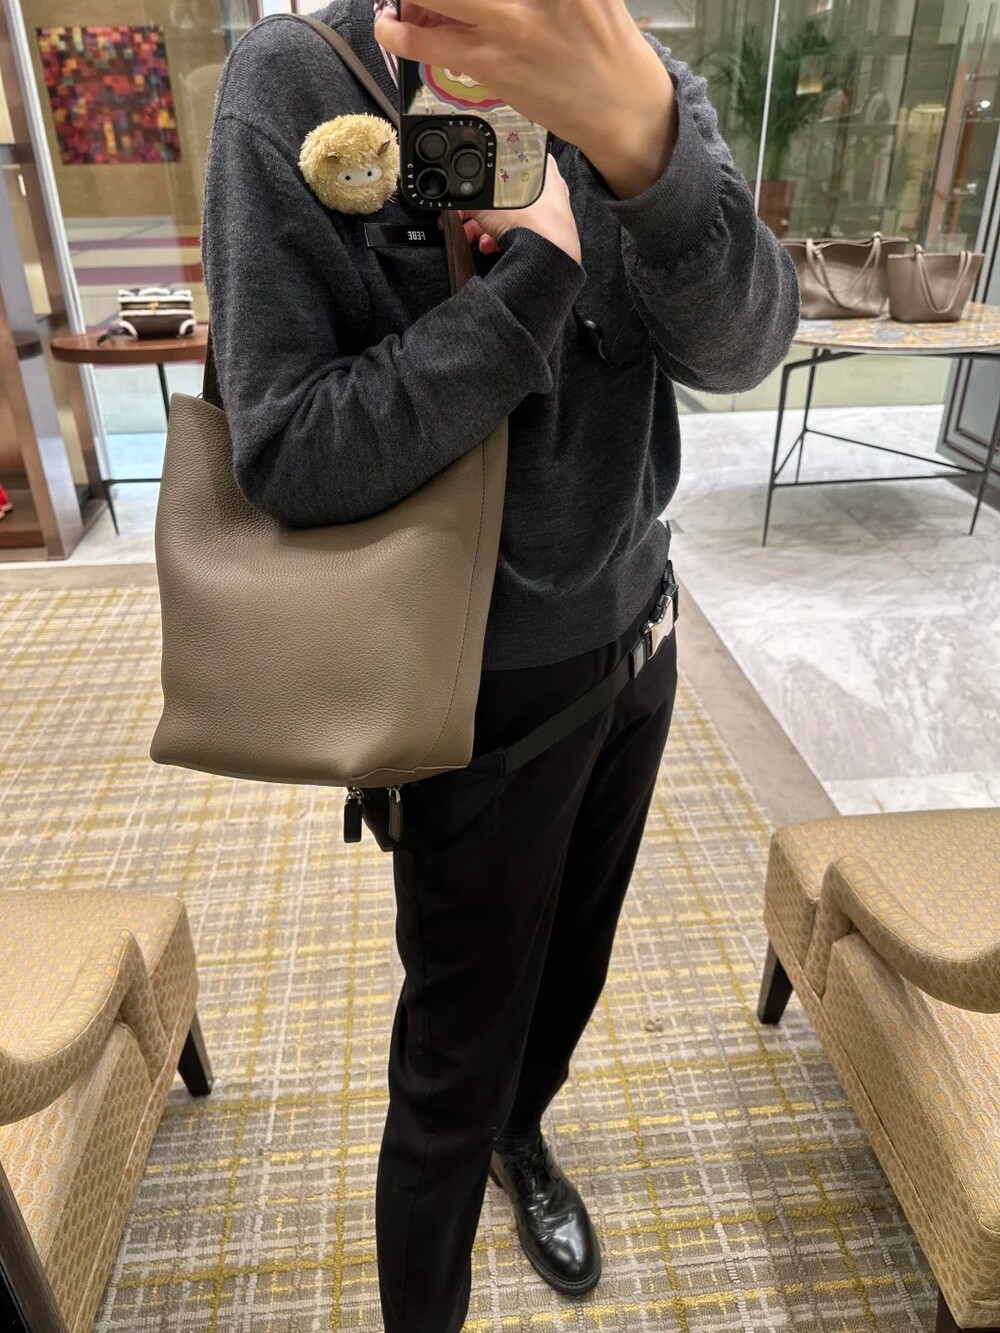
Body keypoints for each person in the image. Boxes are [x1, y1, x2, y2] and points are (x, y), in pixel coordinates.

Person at [201, 2, 800, 1329]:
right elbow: (288, 448)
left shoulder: (625, 67)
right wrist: (537, 278)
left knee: (572, 971)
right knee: (452, 1056)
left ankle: (525, 1136)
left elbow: (744, 346)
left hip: (638, 634)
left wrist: (645, 150)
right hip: (466, 692)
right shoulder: (299, 82)